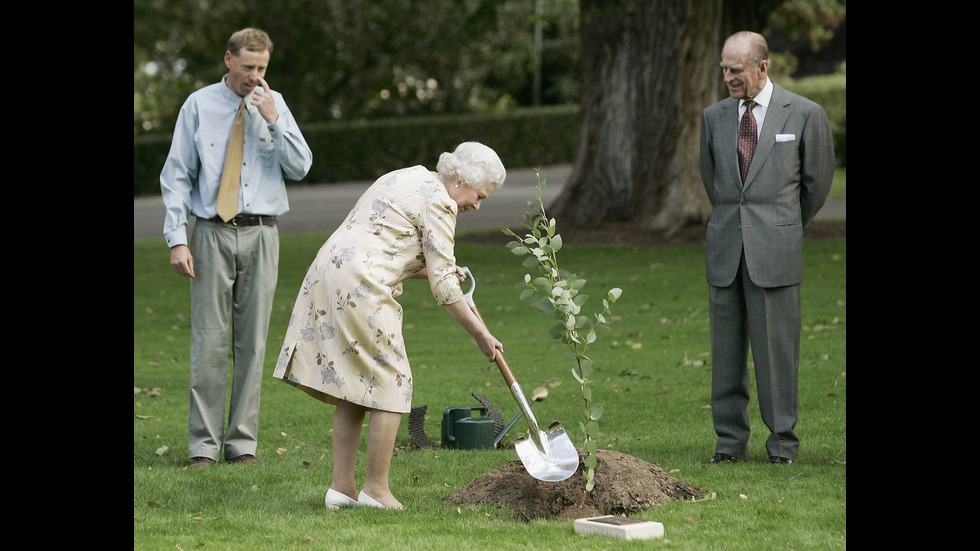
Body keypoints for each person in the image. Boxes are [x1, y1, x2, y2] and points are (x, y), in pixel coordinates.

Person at [272, 142, 506, 510]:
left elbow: (386, 243)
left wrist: (435, 269)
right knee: (394, 382)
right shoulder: (441, 203)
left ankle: (341, 489)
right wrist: (481, 334)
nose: (476, 205)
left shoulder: (408, 176)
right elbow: (443, 287)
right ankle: (376, 491)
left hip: (328, 271)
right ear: (459, 179)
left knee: (357, 384)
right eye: (478, 196)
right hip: (361, 285)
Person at [160, 28, 314, 468]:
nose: (255, 76)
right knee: (208, 342)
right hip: (209, 232)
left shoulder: (273, 103)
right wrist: (177, 239)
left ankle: (242, 445)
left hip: (263, 234)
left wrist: (274, 119)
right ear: (228, 60)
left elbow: (301, 167)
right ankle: (203, 448)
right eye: (248, 67)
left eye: (262, 68)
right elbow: (176, 178)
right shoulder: (198, 106)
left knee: (254, 344)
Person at [698, 31, 835, 465]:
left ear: (763, 67)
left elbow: (816, 185)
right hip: (725, 250)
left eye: (735, 70)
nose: (727, 77)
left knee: (776, 353)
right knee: (726, 354)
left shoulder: (806, 114)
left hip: (775, 250)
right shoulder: (713, 117)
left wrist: (782, 225)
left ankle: (782, 444)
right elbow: (713, 180)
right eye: (723, 68)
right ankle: (729, 443)